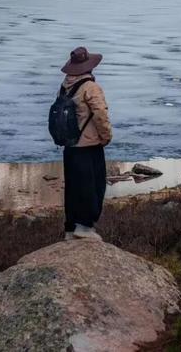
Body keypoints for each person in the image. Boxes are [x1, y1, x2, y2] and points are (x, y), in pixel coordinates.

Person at [60, 46, 112, 240]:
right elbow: (100, 115)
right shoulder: (91, 87)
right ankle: (85, 227)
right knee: (93, 186)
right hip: (89, 146)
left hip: (70, 146)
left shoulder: (65, 85)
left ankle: (70, 228)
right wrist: (106, 136)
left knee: (73, 187)